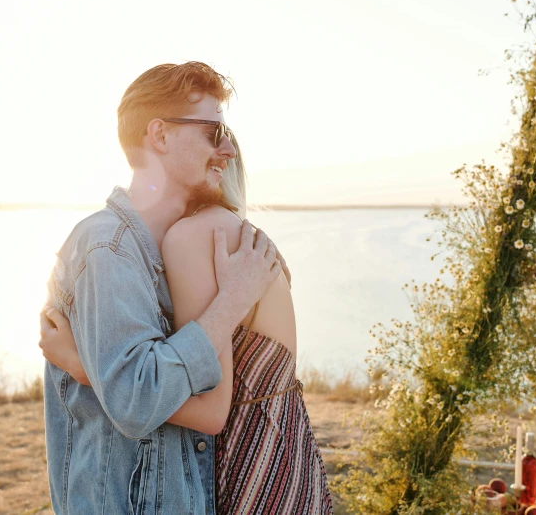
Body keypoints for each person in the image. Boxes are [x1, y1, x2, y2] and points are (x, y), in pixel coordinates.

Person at [41, 135, 334, 513]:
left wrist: (89, 369)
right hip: (288, 451)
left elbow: (211, 412)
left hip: (249, 463)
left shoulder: (196, 237)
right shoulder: (245, 237)